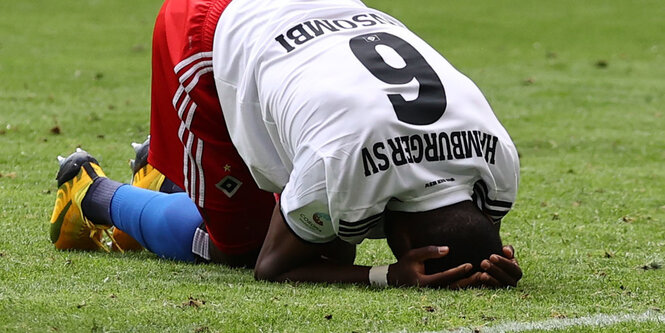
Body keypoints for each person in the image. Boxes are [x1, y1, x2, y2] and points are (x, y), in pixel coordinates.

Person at [49, 0, 522, 288]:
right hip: (208, 26)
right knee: (244, 249)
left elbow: (471, 230)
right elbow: (271, 266)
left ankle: (173, 172)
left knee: (329, 244)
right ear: (402, 244)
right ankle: (91, 195)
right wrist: (386, 276)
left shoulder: (499, 159)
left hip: (317, 19)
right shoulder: (341, 164)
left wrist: (485, 258)